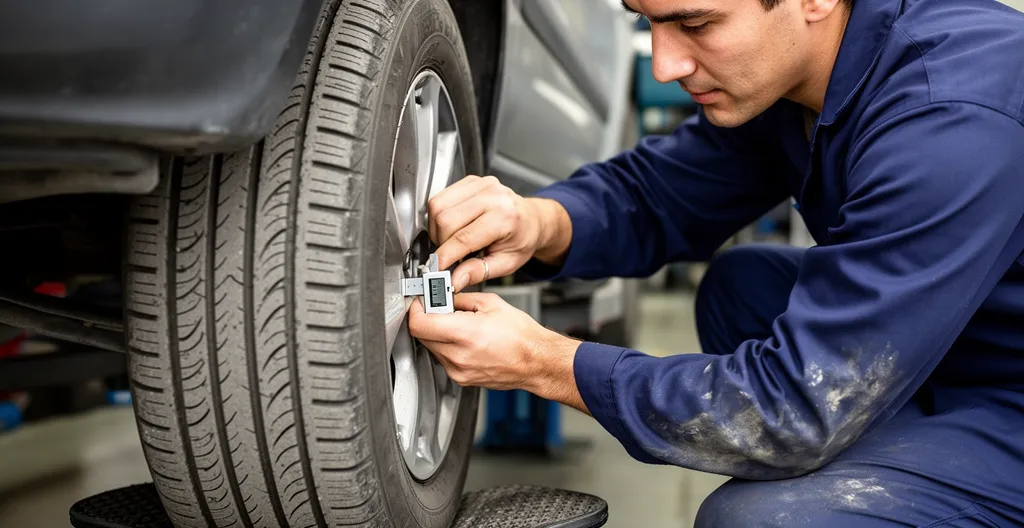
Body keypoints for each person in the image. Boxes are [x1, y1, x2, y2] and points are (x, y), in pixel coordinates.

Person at [408, 0, 1024, 525]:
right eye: (646, 21)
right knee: (741, 287)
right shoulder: (797, 71)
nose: (664, 64)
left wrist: (544, 363)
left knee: (757, 520)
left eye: (695, 25)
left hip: (1009, 402)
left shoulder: (948, 119)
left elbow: (794, 405)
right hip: (960, 350)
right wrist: (540, 222)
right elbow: (661, 193)